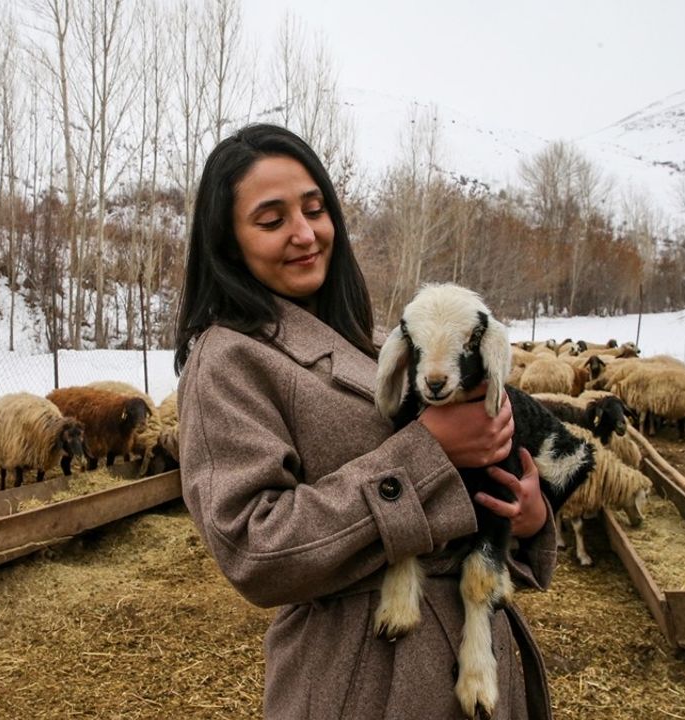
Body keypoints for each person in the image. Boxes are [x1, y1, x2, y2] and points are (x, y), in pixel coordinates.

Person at [173, 123, 556, 720]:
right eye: (272, 221)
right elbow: (253, 547)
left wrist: (525, 516)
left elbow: (460, 493)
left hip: (477, 662)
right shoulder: (228, 360)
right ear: (229, 241)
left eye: (314, 209)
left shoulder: (373, 341)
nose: (304, 234)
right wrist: (429, 453)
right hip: (367, 682)